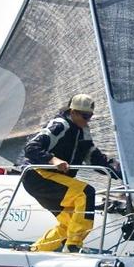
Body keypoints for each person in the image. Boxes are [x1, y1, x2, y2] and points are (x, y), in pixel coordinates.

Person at [21, 93, 121, 253]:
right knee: (86, 193)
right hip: (38, 176)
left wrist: (121, 172)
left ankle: (36, 251)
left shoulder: (83, 132)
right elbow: (31, 147)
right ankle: (73, 246)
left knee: (69, 223)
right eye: (85, 115)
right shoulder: (60, 125)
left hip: (52, 180)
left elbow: (95, 159)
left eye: (90, 116)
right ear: (73, 112)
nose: (88, 120)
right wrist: (53, 160)